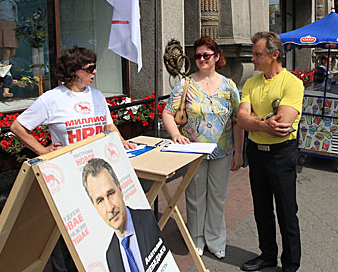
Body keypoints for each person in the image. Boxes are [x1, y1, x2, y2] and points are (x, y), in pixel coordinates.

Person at [11, 47, 135, 271]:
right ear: (73, 71)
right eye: (89, 68)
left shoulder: (96, 95)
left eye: (95, 67)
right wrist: (42, 150)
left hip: (97, 178)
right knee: (65, 237)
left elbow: (108, 124)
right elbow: (18, 127)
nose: (94, 72)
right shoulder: (52, 99)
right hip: (68, 178)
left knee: (95, 232)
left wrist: (121, 141)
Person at [162, 35, 243, 259]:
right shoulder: (185, 83)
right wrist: (176, 135)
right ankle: (196, 238)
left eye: (206, 55)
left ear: (217, 56)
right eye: (197, 56)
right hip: (193, 152)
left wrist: (239, 152)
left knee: (217, 197)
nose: (201, 59)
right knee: (195, 197)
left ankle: (216, 240)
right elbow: (167, 113)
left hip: (222, 151)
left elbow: (237, 120)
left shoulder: (229, 86)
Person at [237, 31, 303, 272]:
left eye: (257, 54)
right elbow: (241, 119)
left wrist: (254, 119)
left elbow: (282, 126)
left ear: (274, 55)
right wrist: (263, 123)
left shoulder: (292, 83)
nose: (252, 59)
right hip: (256, 152)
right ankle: (267, 256)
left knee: (286, 211)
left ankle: (290, 265)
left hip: (281, 155)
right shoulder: (252, 83)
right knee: (261, 209)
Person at [82, 158, 166, 272]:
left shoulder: (148, 220)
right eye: (100, 201)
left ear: (120, 190)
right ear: (95, 207)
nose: (110, 208)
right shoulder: (110, 255)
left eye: (111, 193)